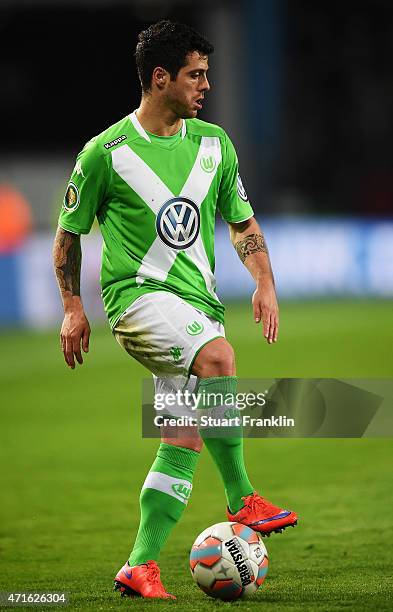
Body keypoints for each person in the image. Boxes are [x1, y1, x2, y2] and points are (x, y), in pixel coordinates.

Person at [53, 20, 298, 600]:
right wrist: (72, 306)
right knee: (218, 358)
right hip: (136, 300)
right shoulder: (104, 155)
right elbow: (68, 237)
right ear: (160, 78)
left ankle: (140, 565)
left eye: (207, 74)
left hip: (197, 303)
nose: (205, 85)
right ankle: (242, 497)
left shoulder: (214, 144)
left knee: (184, 432)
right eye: (195, 74)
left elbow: (242, 224)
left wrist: (263, 281)